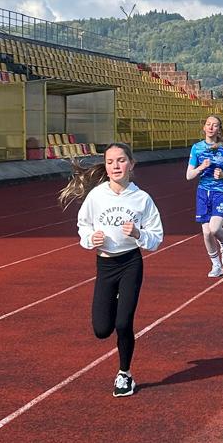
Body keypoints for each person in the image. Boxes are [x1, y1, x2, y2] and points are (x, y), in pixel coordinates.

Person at [60, 143, 163, 397]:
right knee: (102, 330)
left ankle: (124, 374)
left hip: (130, 263)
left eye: (121, 160)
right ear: (105, 167)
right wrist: (90, 238)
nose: (116, 166)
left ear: (131, 164)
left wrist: (138, 233)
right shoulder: (97, 196)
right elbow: (83, 225)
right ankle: (116, 301)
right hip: (105, 265)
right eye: (110, 162)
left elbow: (156, 237)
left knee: (123, 322)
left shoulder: (142, 199)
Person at [186, 113, 223, 278]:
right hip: (203, 192)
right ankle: (216, 265)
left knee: (215, 228)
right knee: (206, 233)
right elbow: (189, 175)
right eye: (208, 124)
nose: (211, 127)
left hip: (221, 191)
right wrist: (201, 167)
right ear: (204, 127)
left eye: (215, 125)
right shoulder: (197, 148)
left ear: (219, 129)